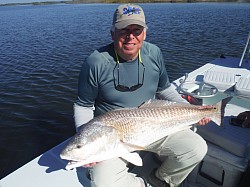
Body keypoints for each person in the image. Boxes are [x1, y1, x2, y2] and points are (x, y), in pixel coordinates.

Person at [74, 4, 210, 187]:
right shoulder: (95, 62)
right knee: (103, 183)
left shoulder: (154, 53)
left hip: (155, 125)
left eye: (136, 30)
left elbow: (165, 89)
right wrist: (87, 142)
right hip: (114, 136)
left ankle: (159, 181)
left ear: (144, 33)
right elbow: (83, 105)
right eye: (124, 30)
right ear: (112, 33)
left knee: (196, 149)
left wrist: (193, 111)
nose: (130, 36)